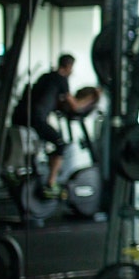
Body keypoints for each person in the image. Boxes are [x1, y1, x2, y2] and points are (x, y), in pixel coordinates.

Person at [10, 54, 97, 198]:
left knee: (42, 144)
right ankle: (50, 184)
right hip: (36, 119)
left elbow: (48, 99)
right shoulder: (61, 79)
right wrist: (93, 96)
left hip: (20, 117)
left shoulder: (46, 77)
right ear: (69, 66)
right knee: (60, 144)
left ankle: (30, 173)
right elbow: (75, 106)